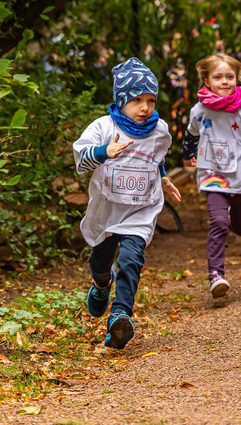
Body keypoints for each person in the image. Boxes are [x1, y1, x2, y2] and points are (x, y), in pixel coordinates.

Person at [73, 58, 181, 349]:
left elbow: (155, 157)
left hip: (141, 210)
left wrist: (163, 177)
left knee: (131, 259)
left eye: (150, 100)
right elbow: (81, 160)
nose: (145, 108)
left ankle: (120, 315)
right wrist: (103, 151)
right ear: (121, 100)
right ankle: (101, 283)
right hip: (107, 211)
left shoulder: (159, 130)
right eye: (136, 100)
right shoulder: (103, 127)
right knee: (99, 262)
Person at [182, 54, 241, 298]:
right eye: (218, 77)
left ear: (237, 79)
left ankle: (233, 230)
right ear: (206, 80)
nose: (224, 81)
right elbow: (191, 134)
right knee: (218, 222)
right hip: (212, 174)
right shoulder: (199, 110)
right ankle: (216, 275)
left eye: (229, 77)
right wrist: (187, 155)